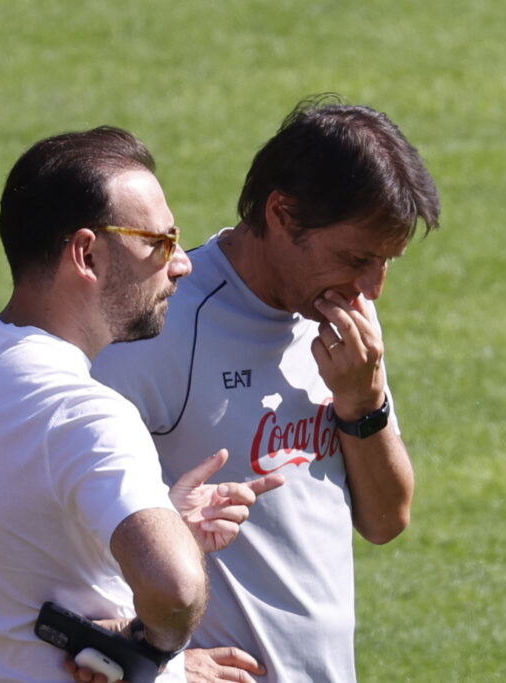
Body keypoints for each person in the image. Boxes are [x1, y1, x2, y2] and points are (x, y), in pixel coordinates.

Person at [0, 127, 280, 683]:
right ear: (87, 253)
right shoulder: (87, 415)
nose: (181, 264)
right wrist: (151, 651)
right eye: (157, 243)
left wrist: (162, 518)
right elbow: (176, 589)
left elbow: (13, 561)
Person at [92, 95, 441, 682]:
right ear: (281, 213)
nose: (372, 288)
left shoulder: (341, 319)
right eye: (357, 257)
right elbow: (52, 533)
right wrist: (165, 664)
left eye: (386, 262)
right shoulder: (162, 325)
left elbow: (386, 520)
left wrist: (364, 404)